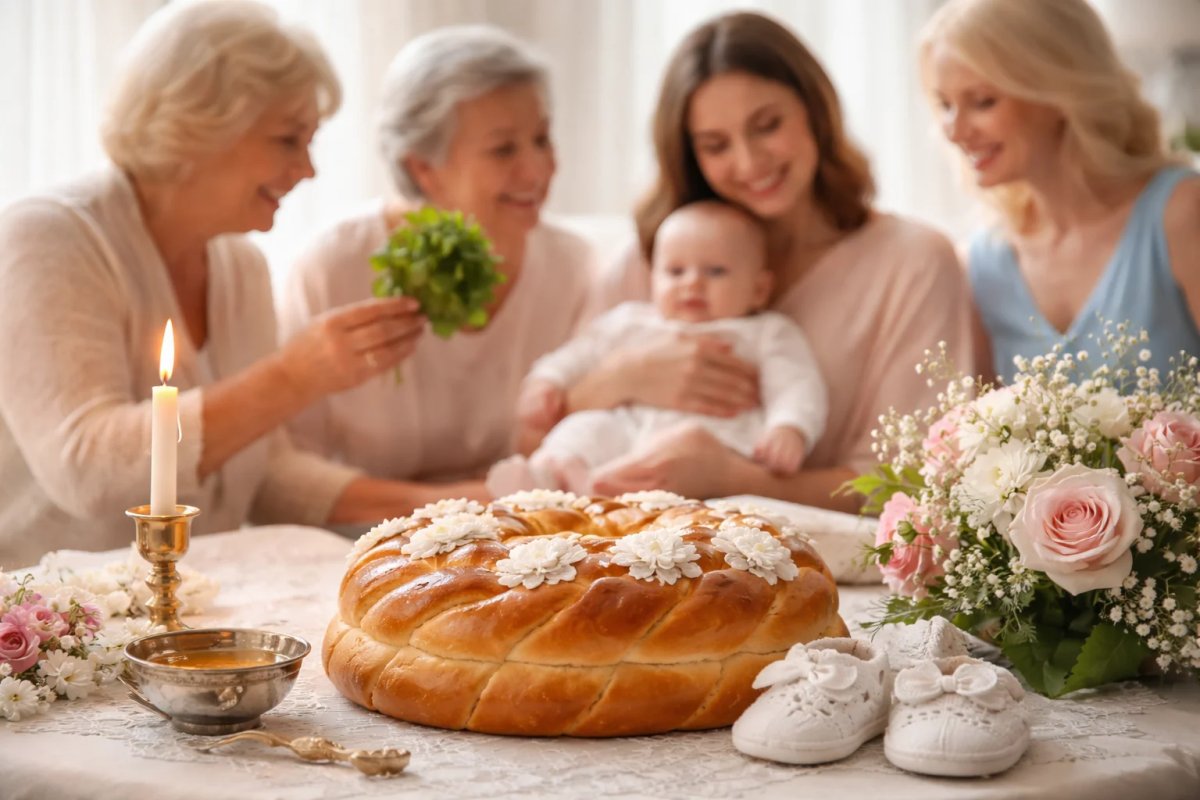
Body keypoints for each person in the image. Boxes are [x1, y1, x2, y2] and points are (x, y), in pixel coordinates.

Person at [0, 1, 459, 566]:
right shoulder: (47, 237)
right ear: (198, 124)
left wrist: (448, 504)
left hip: (195, 607)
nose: (310, 170)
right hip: (49, 622)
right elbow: (87, 469)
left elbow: (267, 473)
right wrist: (294, 377)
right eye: (290, 139)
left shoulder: (242, 266)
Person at [540, 11, 974, 511]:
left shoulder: (913, 263)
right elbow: (539, 438)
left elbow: (912, 484)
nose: (749, 163)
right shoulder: (652, 259)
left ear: (815, 111)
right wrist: (623, 379)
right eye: (716, 145)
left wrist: (731, 477)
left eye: (767, 126)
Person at [279, 26, 594, 487]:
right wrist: (459, 505)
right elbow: (284, 473)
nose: (539, 169)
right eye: (503, 149)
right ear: (422, 168)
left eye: (542, 139)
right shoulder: (333, 267)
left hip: (513, 541)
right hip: (359, 543)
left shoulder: (574, 267)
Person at [920, 0, 1200, 384]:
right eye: (945, 105)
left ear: (1060, 91)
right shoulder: (983, 265)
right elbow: (981, 430)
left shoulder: (1181, 213)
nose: (954, 131)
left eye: (982, 101)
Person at [488, 200, 827, 495]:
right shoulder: (632, 322)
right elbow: (578, 355)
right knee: (586, 429)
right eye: (675, 271)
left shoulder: (765, 332)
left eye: (716, 271)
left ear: (759, 288)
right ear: (652, 278)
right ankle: (546, 474)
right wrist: (546, 382)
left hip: (711, 444)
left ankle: (594, 487)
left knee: (677, 444)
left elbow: (797, 385)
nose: (692, 282)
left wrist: (789, 427)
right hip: (627, 429)